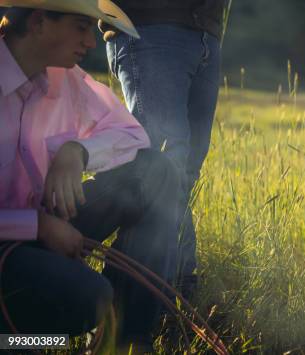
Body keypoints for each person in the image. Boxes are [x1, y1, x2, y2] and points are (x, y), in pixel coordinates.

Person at [0, 1, 180, 352]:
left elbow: (133, 137)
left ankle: (129, 340)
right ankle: (15, 343)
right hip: (11, 243)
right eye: (82, 27)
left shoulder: (66, 79)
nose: (92, 41)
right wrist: (36, 226)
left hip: (43, 227)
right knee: (89, 297)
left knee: (155, 172)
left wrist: (76, 152)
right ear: (39, 22)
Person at [100, 0, 227, 297]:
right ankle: (158, 288)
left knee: (185, 171)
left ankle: (156, 287)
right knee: (164, 166)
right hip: (150, 26)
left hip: (205, 30)